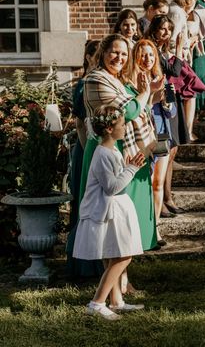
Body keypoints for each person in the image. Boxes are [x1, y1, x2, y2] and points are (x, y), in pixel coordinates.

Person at [80, 34, 158, 293]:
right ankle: (115, 287)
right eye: (114, 52)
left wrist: (144, 96)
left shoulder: (119, 80)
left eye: (124, 54)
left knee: (125, 218)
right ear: (103, 53)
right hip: (108, 151)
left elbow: (138, 109)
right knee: (111, 221)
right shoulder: (95, 79)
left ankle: (122, 282)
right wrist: (145, 93)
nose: (119, 58)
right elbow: (131, 111)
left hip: (129, 149)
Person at [73, 105, 146, 320]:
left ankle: (116, 301)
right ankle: (96, 302)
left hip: (115, 209)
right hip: (106, 211)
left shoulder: (112, 149)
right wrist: (132, 168)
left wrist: (127, 167)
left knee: (112, 254)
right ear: (108, 129)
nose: (125, 127)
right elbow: (112, 187)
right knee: (124, 256)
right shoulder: (103, 154)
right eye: (122, 124)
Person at [128, 39, 176, 243]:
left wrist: (164, 102)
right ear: (136, 56)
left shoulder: (162, 79)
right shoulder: (131, 80)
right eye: (143, 54)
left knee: (157, 184)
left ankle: (155, 228)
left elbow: (173, 111)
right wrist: (149, 96)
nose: (147, 59)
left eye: (151, 55)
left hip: (161, 135)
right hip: (142, 138)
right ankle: (139, 227)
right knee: (143, 184)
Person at [66, 39, 104, 278]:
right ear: (89, 57)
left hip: (98, 147)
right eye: (96, 55)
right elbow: (80, 124)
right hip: (87, 148)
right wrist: (89, 154)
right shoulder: (84, 84)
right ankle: (85, 266)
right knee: (87, 206)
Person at [144, 15, 188, 217]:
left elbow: (172, 74)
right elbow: (175, 71)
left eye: (169, 29)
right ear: (154, 29)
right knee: (164, 152)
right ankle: (160, 201)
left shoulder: (161, 50)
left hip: (168, 99)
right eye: (162, 29)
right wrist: (179, 49)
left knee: (172, 151)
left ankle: (167, 197)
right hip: (156, 104)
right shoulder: (150, 49)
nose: (166, 33)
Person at [168, 0, 205, 142]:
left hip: (177, 56)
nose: (195, 4)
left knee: (185, 94)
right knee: (190, 93)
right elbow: (172, 39)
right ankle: (188, 132)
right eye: (194, 0)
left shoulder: (175, 9)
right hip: (175, 57)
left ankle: (185, 131)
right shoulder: (177, 12)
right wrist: (187, 43)